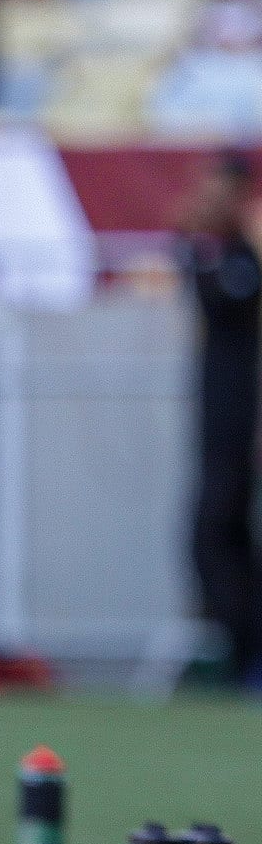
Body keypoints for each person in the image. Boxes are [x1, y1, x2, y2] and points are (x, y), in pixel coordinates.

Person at [177, 154, 262, 691]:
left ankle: (251, 651)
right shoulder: (213, 256)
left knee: (214, 538)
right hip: (217, 423)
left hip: (240, 425)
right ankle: (244, 652)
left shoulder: (243, 262)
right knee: (222, 539)